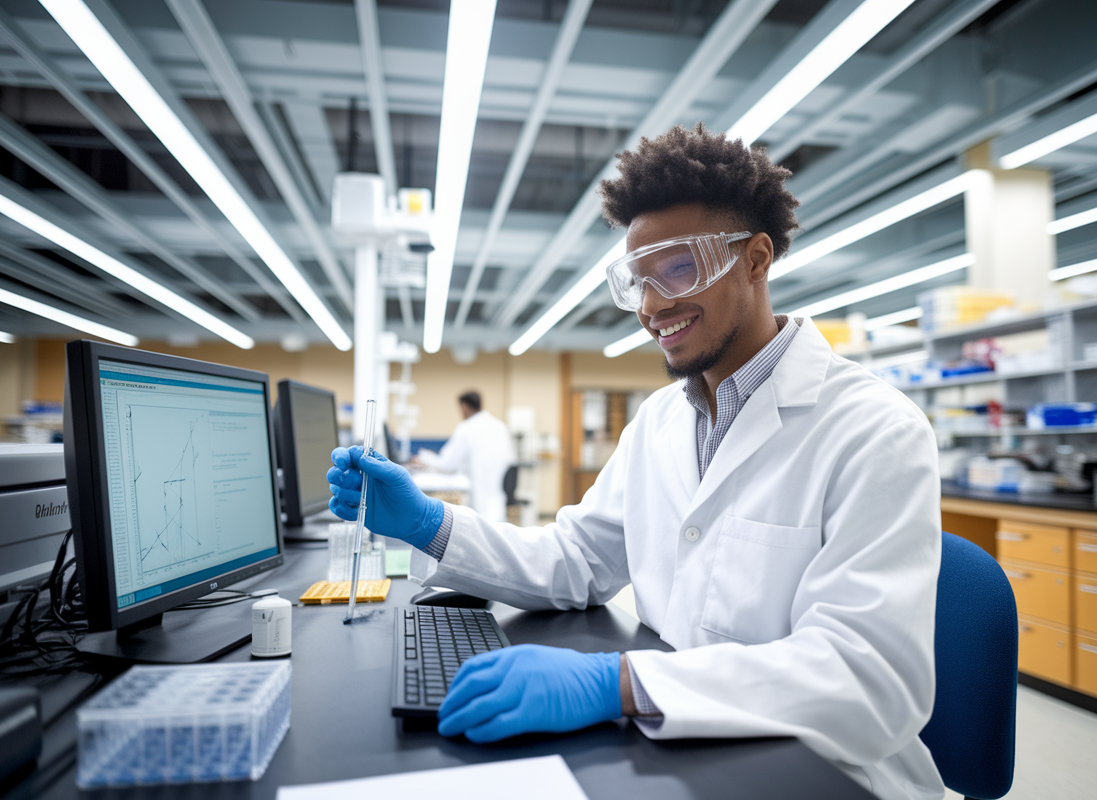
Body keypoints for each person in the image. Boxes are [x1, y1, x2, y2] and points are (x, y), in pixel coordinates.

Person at [329, 123, 943, 800]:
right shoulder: (659, 421)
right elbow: (577, 561)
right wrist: (428, 524)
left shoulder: (874, 430)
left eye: (677, 268)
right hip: (684, 751)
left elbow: (868, 680)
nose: (652, 307)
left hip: (827, 774)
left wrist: (617, 682)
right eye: (637, 281)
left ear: (757, 258)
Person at [414, 391, 514, 522]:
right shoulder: (500, 426)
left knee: (482, 526)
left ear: (464, 407)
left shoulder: (466, 428)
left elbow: (447, 463)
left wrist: (423, 457)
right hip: (498, 501)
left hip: (480, 499)